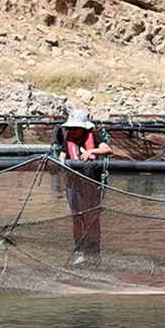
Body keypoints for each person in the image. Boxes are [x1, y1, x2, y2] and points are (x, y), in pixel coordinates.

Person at [54, 110, 112, 267]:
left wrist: (91, 151)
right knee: (77, 218)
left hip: (91, 185)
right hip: (74, 186)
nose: (72, 131)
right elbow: (61, 158)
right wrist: (60, 164)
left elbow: (107, 150)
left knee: (92, 220)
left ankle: (94, 254)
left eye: (75, 128)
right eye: (70, 128)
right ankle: (80, 251)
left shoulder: (94, 137)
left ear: (84, 128)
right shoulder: (68, 141)